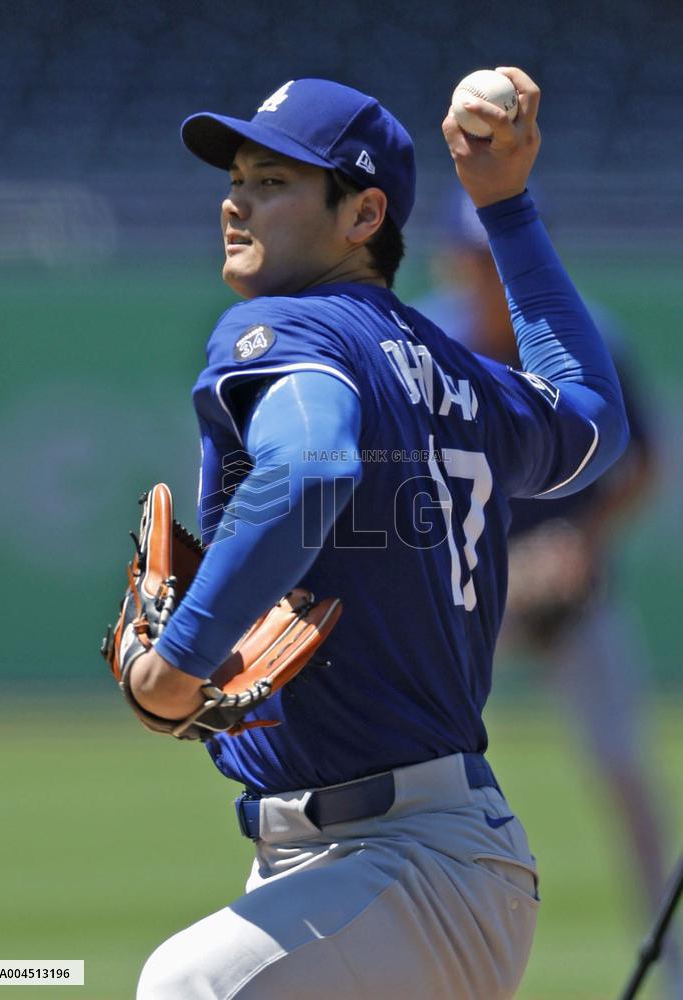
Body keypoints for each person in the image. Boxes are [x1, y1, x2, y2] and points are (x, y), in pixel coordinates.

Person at [128, 70, 629, 999]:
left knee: (183, 987)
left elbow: (310, 470)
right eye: (237, 176)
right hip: (414, 865)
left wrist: (182, 657)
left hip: (398, 865)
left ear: (363, 216)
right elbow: (592, 421)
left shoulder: (283, 326)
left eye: (274, 182)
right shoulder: (458, 370)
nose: (237, 199)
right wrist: (508, 210)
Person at [417, 198, 682, 993]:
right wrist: (495, 562)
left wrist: (581, 542)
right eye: (476, 257)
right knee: (416, 767)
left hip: (575, 596)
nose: (489, 273)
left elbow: (642, 465)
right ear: (450, 262)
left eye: (502, 256)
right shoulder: (428, 347)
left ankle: (673, 970)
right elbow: (406, 494)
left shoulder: (586, 336)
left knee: (628, 775)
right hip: (468, 601)